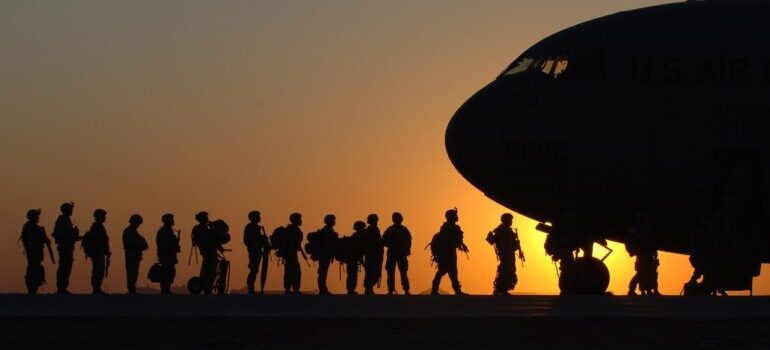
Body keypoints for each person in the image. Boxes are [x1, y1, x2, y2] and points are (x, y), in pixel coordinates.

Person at [430, 209, 468, 295]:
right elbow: (451, 240)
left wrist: (462, 245)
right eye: (455, 215)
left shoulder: (450, 227)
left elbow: (458, 240)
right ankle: (436, 290)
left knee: (450, 272)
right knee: (445, 272)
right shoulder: (449, 228)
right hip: (447, 254)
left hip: (449, 253)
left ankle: (455, 291)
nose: (457, 216)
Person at [487, 213, 525, 295]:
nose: (511, 222)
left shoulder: (506, 229)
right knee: (506, 271)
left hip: (508, 254)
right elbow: (500, 242)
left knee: (509, 271)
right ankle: (501, 289)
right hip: (505, 254)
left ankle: (503, 289)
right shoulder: (502, 230)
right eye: (510, 220)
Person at [626, 213, 660, 296]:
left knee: (651, 273)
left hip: (646, 253)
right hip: (644, 254)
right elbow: (648, 241)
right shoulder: (642, 229)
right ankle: (641, 290)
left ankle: (650, 290)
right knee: (644, 273)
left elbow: (651, 242)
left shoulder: (641, 229)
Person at [20, 209, 53, 295]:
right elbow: (27, 240)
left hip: (37, 251)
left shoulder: (36, 228)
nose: (38, 218)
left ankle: (34, 287)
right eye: (36, 216)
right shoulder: (29, 227)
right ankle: (31, 288)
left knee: (36, 269)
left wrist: (45, 239)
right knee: (32, 269)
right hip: (32, 252)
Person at [52, 202, 80, 294]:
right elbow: (62, 235)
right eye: (70, 209)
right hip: (65, 247)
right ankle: (61, 288)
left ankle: (63, 287)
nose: (72, 211)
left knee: (67, 267)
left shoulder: (66, 220)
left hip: (68, 247)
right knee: (64, 267)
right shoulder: (62, 220)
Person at [382, 212, 412, 295]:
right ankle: (393, 290)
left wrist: (406, 249)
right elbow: (383, 241)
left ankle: (404, 289)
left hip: (399, 253)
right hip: (394, 253)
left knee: (402, 272)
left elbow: (409, 241)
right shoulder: (395, 230)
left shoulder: (400, 230)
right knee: (393, 272)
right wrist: (392, 244)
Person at [191, 211, 221, 294]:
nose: (207, 219)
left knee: (211, 271)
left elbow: (214, 238)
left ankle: (207, 288)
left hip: (211, 252)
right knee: (208, 271)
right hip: (207, 252)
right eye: (205, 217)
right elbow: (205, 241)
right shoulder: (199, 229)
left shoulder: (207, 228)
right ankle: (205, 288)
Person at [82, 209, 111, 295]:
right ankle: (96, 288)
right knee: (98, 270)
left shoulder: (99, 226)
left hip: (99, 252)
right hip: (97, 252)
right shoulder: (96, 227)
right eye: (103, 216)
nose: (104, 218)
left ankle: (97, 288)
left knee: (99, 270)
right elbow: (98, 240)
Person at [243, 210, 270, 295]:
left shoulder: (258, 227)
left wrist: (264, 240)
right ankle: (250, 289)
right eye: (258, 216)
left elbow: (260, 239)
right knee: (253, 270)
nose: (259, 218)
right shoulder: (249, 227)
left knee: (255, 270)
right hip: (254, 251)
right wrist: (255, 245)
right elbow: (247, 240)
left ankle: (252, 289)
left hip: (258, 251)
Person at [122, 214, 148, 294]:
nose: (138, 225)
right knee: (131, 272)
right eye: (138, 223)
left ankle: (132, 288)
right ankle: (131, 289)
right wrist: (139, 245)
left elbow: (145, 245)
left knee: (134, 273)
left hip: (135, 255)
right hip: (131, 255)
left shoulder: (134, 232)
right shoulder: (129, 232)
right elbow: (134, 244)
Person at [315, 214, 339, 295]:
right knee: (323, 272)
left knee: (324, 272)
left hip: (327, 255)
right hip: (324, 255)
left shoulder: (330, 230)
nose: (334, 221)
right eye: (333, 220)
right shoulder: (326, 231)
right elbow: (327, 244)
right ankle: (322, 289)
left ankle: (323, 288)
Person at [156, 213, 180, 294]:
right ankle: (165, 289)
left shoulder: (169, 230)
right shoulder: (165, 231)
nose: (173, 221)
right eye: (171, 220)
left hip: (169, 254)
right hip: (166, 255)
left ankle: (166, 288)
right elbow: (165, 244)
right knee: (167, 272)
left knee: (170, 272)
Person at [282, 213, 306, 294]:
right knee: (293, 271)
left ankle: (292, 289)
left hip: (292, 253)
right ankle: (291, 289)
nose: (301, 221)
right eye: (299, 219)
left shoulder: (294, 229)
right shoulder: (291, 229)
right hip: (290, 253)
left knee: (293, 271)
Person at [342, 221, 366, 295]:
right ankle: (350, 290)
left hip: (351, 259)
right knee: (352, 274)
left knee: (352, 274)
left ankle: (350, 289)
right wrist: (363, 263)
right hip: (352, 259)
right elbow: (358, 251)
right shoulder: (357, 237)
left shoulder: (355, 237)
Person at [362, 214, 383, 295]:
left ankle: (369, 289)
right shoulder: (370, 230)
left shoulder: (374, 229)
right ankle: (368, 289)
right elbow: (370, 243)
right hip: (371, 255)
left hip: (375, 255)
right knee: (370, 272)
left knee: (373, 272)